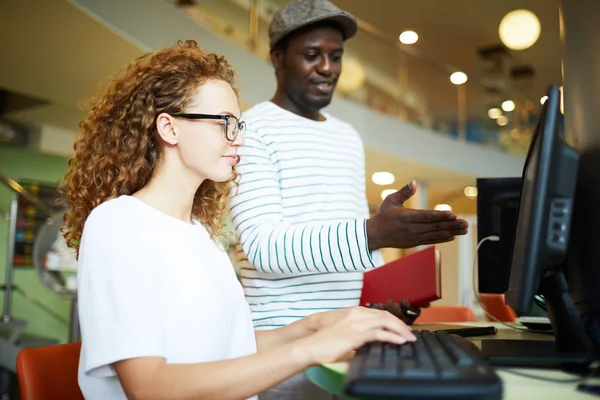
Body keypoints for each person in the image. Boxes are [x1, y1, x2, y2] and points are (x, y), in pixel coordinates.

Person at [61, 39, 415, 400]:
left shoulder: (201, 235)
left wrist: (317, 325)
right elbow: (149, 387)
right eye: (224, 123)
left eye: (240, 125)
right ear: (169, 128)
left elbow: (231, 350)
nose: (239, 140)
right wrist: (311, 349)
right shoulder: (118, 226)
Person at [229, 1, 468, 398]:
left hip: (349, 338)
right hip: (282, 349)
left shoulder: (347, 137)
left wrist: (380, 301)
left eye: (335, 56)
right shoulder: (252, 129)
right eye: (311, 55)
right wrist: (371, 234)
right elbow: (262, 248)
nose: (328, 68)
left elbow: (358, 246)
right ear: (277, 57)